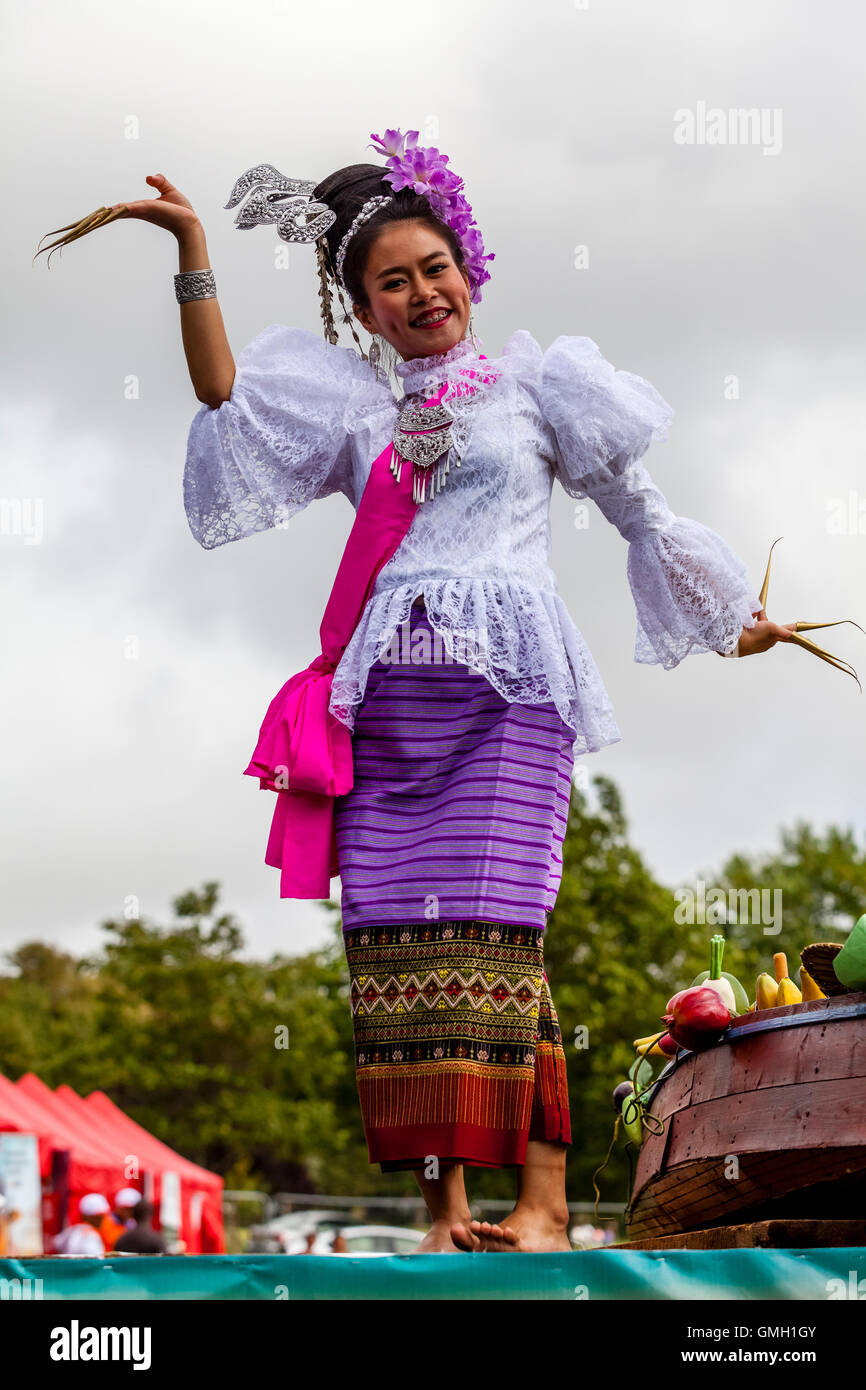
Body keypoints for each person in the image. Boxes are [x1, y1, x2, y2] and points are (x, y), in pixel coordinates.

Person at [39, 127, 798, 1253]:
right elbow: (219, 392)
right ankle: (443, 1215)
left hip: (508, 704)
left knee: (500, 933)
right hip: (387, 708)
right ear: (364, 308)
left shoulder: (543, 385)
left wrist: (727, 619)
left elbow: (637, 511)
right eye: (389, 282)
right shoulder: (352, 407)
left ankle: (541, 1207)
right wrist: (193, 247)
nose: (420, 293)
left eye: (432, 269)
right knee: (396, 949)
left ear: (466, 267)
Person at [99, 1186, 142, 1252]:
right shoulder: (106, 1223)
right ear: (119, 1207)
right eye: (128, 1209)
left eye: (133, 1209)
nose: (131, 1212)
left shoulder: (132, 1224)